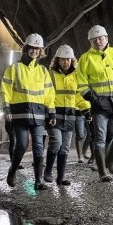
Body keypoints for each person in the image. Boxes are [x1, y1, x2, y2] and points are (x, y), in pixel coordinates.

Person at [75, 25, 113, 182]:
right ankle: (102, 172)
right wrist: (93, 99)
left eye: (100, 38)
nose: (98, 41)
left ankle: (110, 161)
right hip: (99, 105)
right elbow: (81, 83)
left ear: (106, 38)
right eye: (94, 39)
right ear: (90, 41)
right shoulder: (85, 59)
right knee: (100, 137)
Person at [1, 33, 56, 190]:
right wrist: (6, 108)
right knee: (22, 144)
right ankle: (13, 170)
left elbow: (49, 93)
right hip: (19, 114)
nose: (34, 51)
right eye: (31, 48)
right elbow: (5, 89)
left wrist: (51, 112)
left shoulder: (43, 71)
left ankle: (38, 181)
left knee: (39, 147)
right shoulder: (14, 68)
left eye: (37, 49)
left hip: (38, 115)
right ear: (26, 49)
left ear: (40, 51)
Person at [44, 45, 80, 185]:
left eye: (68, 59)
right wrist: (50, 111)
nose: (66, 62)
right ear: (57, 60)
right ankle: (48, 171)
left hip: (70, 115)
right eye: (63, 59)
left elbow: (79, 95)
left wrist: (85, 109)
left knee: (65, 147)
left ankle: (61, 177)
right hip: (54, 115)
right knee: (56, 142)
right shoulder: (50, 75)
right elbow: (47, 95)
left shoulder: (76, 75)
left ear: (72, 60)